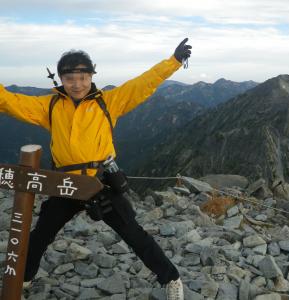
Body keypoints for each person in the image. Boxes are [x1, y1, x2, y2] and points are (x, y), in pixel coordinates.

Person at [0, 38, 192, 300]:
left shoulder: (109, 102)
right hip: (65, 184)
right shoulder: (50, 106)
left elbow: (143, 84)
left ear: (92, 76)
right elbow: (9, 102)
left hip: (101, 184)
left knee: (132, 233)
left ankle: (171, 278)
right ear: (61, 79)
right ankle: (22, 279)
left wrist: (173, 62)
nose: (77, 84)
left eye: (82, 76)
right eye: (70, 78)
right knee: (41, 234)